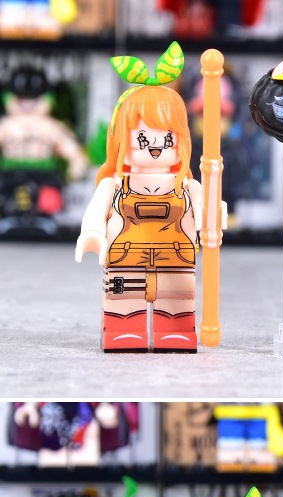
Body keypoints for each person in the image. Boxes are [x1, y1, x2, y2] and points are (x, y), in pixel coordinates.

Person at [75, 42, 203, 352]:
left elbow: (205, 212)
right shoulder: (116, 184)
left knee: (177, 298)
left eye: (167, 139)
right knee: (123, 298)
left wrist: (210, 223)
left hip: (176, 257)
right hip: (126, 256)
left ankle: (175, 332)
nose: (155, 148)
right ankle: (122, 331)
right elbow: (96, 211)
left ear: (181, 140)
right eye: (143, 139)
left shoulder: (187, 186)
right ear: (122, 139)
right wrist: (93, 232)